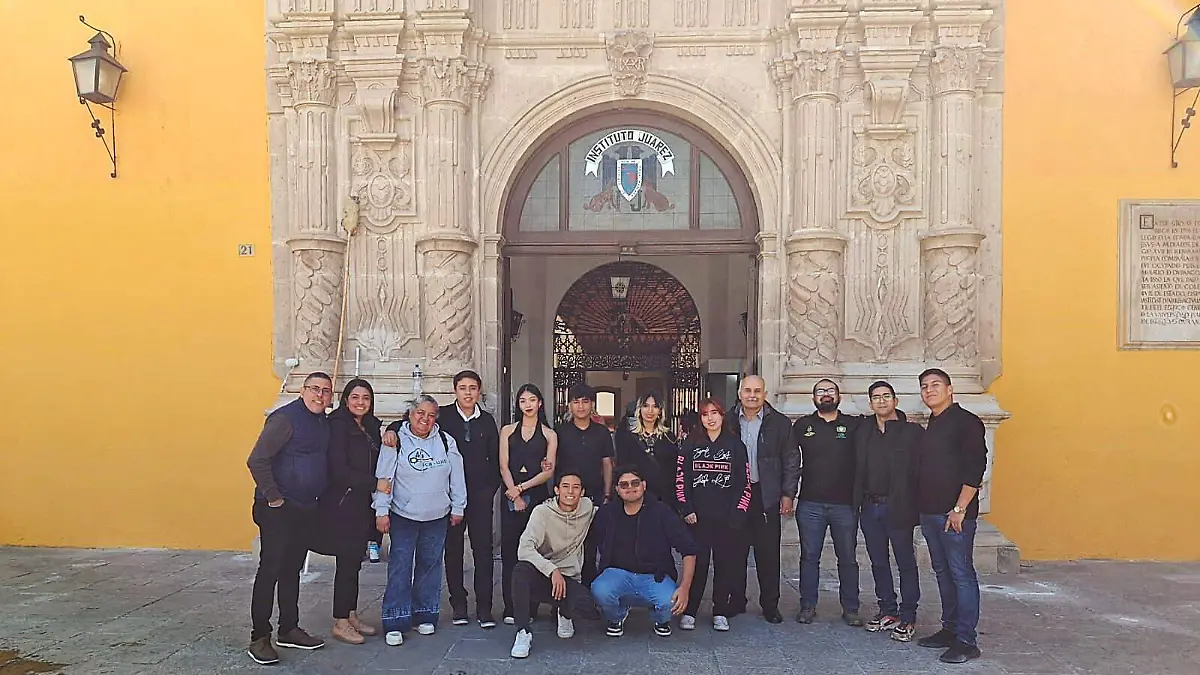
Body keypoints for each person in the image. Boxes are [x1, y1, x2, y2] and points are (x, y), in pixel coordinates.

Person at [384, 370, 501, 628]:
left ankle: (484, 608)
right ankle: (459, 605)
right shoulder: (442, 415)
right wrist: (391, 429)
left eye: (473, 388)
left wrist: (488, 490)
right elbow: (409, 422)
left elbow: (495, 459)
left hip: (479, 499)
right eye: (463, 387)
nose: (468, 392)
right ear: (455, 390)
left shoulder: (487, 421)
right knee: (453, 552)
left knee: (483, 552)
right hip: (447, 499)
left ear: (479, 391)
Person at [245, 372, 333, 665]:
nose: (320, 395)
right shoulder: (285, 419)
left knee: (292, 569)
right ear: (303, 390)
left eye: (326, 391)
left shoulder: (321, 422)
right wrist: (274, 497)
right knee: (270, 570)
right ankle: (260, 636)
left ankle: (289, 628)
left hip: (305, 508)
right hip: (278, 509)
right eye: (314, 389)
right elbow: (257, 459)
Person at [373, 395, 467, 647]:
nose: (425, 419)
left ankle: (425, 614)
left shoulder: (446, 441)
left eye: (431, 415)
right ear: (410, 414)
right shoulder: (396, 440)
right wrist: (381, 510)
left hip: (437, 516)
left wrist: (458, 506)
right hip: (404, 516)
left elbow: (457, 477)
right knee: (400, 567)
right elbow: (384, 478)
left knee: (430, 566)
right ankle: (395, 620)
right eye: (420, 413)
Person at [913, 369, 987, 664]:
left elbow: (975, 468)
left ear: (950, 389)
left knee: (961, 574)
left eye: (935, 385)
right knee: (943, 573)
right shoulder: (932, 423)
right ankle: (950, 629)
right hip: (931, 514)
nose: (929, 390)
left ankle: (967, 641)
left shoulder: (966, 422)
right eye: (924, 386)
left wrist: (959, 509)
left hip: (955, 516)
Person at [853, 380, 923, 642]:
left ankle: (908, 616)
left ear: (895, 401)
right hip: (870, 506)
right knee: (878, 561)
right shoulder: (863, 431)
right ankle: (888, 610)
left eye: (886, 396)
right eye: (876, 397)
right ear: (870, 404)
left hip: (899, 506)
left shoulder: (912, 432)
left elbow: (921, 469)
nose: (881, 401)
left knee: (905, 562)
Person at [590, 466, 698, 638]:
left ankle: (660, 619)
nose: (630, 488)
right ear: (617, 489)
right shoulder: (607, 513)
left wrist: (685, 587)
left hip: (654, 576)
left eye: (635, 483)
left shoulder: (661, 512)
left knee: (669, 601)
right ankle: (617, 617)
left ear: (644, 485)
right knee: (599, 589)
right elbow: (590, 542)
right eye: (624, 485)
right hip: (618, 574)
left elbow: (688, 549)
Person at [674, 398, 752, 632]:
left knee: (725, 565)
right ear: (700, 418)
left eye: (714, 413)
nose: (710, 418)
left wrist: (739, 512)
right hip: (697, 520)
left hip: (727, 520)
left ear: (722, 416)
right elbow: (681, 479)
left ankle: (720, 611)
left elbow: (744, 483)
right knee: (698, 566)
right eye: (705, 414)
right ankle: (690, 611)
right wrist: (686, 508)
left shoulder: (736, 446)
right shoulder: (690, 444)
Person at [726, 375, 799, 623]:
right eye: (747, 390)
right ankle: (736, 600)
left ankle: (770, 605)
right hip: (735, 496)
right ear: (739, 393)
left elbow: (791, 459)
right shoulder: (727, 421)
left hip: (766, 495)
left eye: (757, 391)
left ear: (765, 394)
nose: (752, 395)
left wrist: (788, 494)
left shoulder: (779, 423)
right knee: (734, 552)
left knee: (768, 555)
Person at [793, 379, 863, 627]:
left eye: (830, 390)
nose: (826, 395)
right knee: (809, 557)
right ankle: (807, 606)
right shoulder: (802, 425)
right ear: (813, 398)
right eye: (820, 391)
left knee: (848, 558)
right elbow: (788, 458)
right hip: (810, 504)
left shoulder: (854, 425)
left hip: (845, 505)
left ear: (839, 396)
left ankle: (851, 608)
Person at [317, 378, 382, 645]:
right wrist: (374, 483)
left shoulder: (370, 426)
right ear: (345, 400)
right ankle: (341, 621)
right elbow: (339, 469)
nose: (360, 402)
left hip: (361, 503)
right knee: (345, 561)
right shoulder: (337, 425)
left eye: (365, 398)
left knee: (355, 560)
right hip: (342, 503)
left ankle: (351, 614)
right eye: (355, 397)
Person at [508, 472, 597, 659]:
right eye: (565, 486)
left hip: (569, 578)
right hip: (544, 575)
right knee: (521, 571)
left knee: (586, 607)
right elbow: (524, 549)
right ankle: (523, 631)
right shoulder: (542, 512)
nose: (570, 491)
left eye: (576, 487)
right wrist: (552, 570)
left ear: (582, 492)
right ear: (556, 490)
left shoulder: (587, 508)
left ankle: (564, 612)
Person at [499, 383, 558, 625]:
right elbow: (504, 465)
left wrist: (522, 488)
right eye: (523, 401)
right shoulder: (507, 431)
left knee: (535, 550)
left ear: (540, 403)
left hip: (537, 496)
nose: (528, 405)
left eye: (532, 400)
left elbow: (548, 471)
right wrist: (514, 494)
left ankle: (531, 606)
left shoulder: (549, 434)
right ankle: (510, 606)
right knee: (510, 551)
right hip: (511, 495)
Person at [556, 383, 615, 584]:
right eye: (576, 402)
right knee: (566, 547)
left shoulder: (602, 432)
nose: (580, 406)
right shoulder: (560, 432)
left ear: (592, 405)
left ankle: (592, 591)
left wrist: (607, 494)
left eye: (585, 401)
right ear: (569, 405)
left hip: (594, 496)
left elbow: (607, 464)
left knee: (592, 547)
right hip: (567, 498)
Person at [613, 392, 679, 503]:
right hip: (636, 496)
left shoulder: (669, 437)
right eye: (646, 406)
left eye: (655, 406)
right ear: (639, 409)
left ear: (660, 411)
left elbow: (674, 469)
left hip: (664, 498)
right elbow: (622, 466)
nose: (650, 411)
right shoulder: (627, 436)